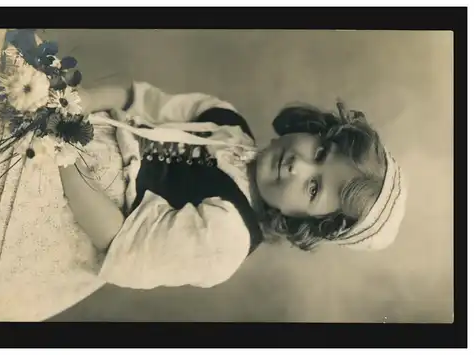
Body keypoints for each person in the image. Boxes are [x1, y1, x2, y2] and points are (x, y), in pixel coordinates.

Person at [59, 81, 407, 290]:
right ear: (316, 129)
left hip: (66, 208)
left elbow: (117, 238)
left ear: (305, 222)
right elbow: (133, 98)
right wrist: (81, 100)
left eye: (313, 189)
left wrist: (58, 156)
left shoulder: (225, 239)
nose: (297, 166)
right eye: (319, 152)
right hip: (71, 128)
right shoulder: (224, 118)